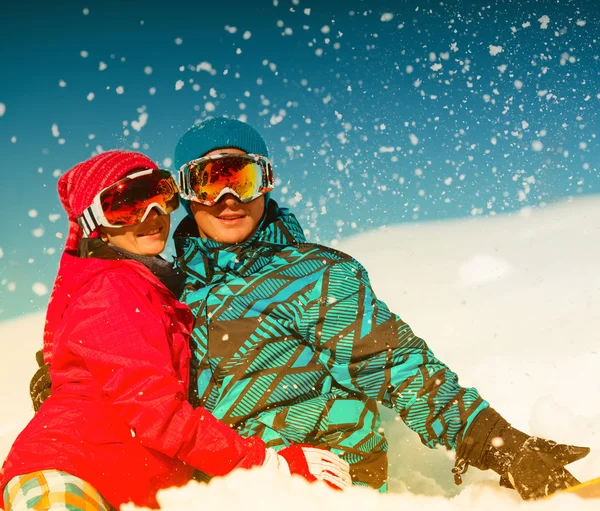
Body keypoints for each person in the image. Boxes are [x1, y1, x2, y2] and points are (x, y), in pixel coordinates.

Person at [30, 119, 589, 501]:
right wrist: (65, 371)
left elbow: (398, 367)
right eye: (208, 181)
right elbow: (130, 364)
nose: (228, 199)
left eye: (241, 178)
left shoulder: (316, 276)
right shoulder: (167, 291)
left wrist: (495, 441)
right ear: (186, 193)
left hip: (323, 478)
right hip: (227, 484)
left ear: (265, 183)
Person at [2, 151, 350, 511]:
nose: (152, 217)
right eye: (126, 206)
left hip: (117, 485)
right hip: (69, 476)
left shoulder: (151, 288)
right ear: (95, 223)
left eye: (159, 196)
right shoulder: (113, 289)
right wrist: (268, 466)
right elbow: (160, 415)